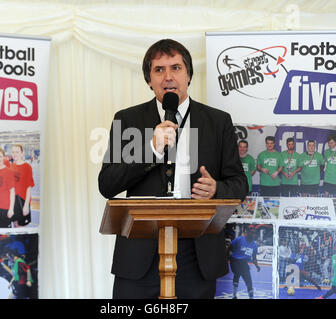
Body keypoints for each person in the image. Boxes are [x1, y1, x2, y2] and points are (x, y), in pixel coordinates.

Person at [98, 39, 248, 299]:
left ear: (188, 75)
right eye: (159, 70)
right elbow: (107, 184)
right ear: (149, 79)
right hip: (139, 254)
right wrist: (150, 150)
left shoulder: (217, 121)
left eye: (176, 68)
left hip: (197, 255)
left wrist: (216, 189)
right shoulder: (128, 119)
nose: (168, 76)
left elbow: (239, 183)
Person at [229, 225, 261, 299]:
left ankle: (251, 297)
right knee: (237, 273)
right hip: (235, 260)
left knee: (249, 281)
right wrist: (226, 257)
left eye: (255, 233)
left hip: (244, 263)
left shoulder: (254, 246)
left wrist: (257, 266)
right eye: (252, 233)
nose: (254, 235)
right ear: (248, 232)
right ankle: (234, 295)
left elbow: (254, 258)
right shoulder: (239, 240)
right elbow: (229, 247)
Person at [10, 144, 34, 227]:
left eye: (17, 152)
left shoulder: (27, 167)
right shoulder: (11, 166)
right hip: (14, 200)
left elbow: (29, 187)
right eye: (13, 152)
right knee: (15, 225)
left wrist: (26, 204)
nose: (15, 154)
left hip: (23, 200)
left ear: (22, 153)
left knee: (21, 228)